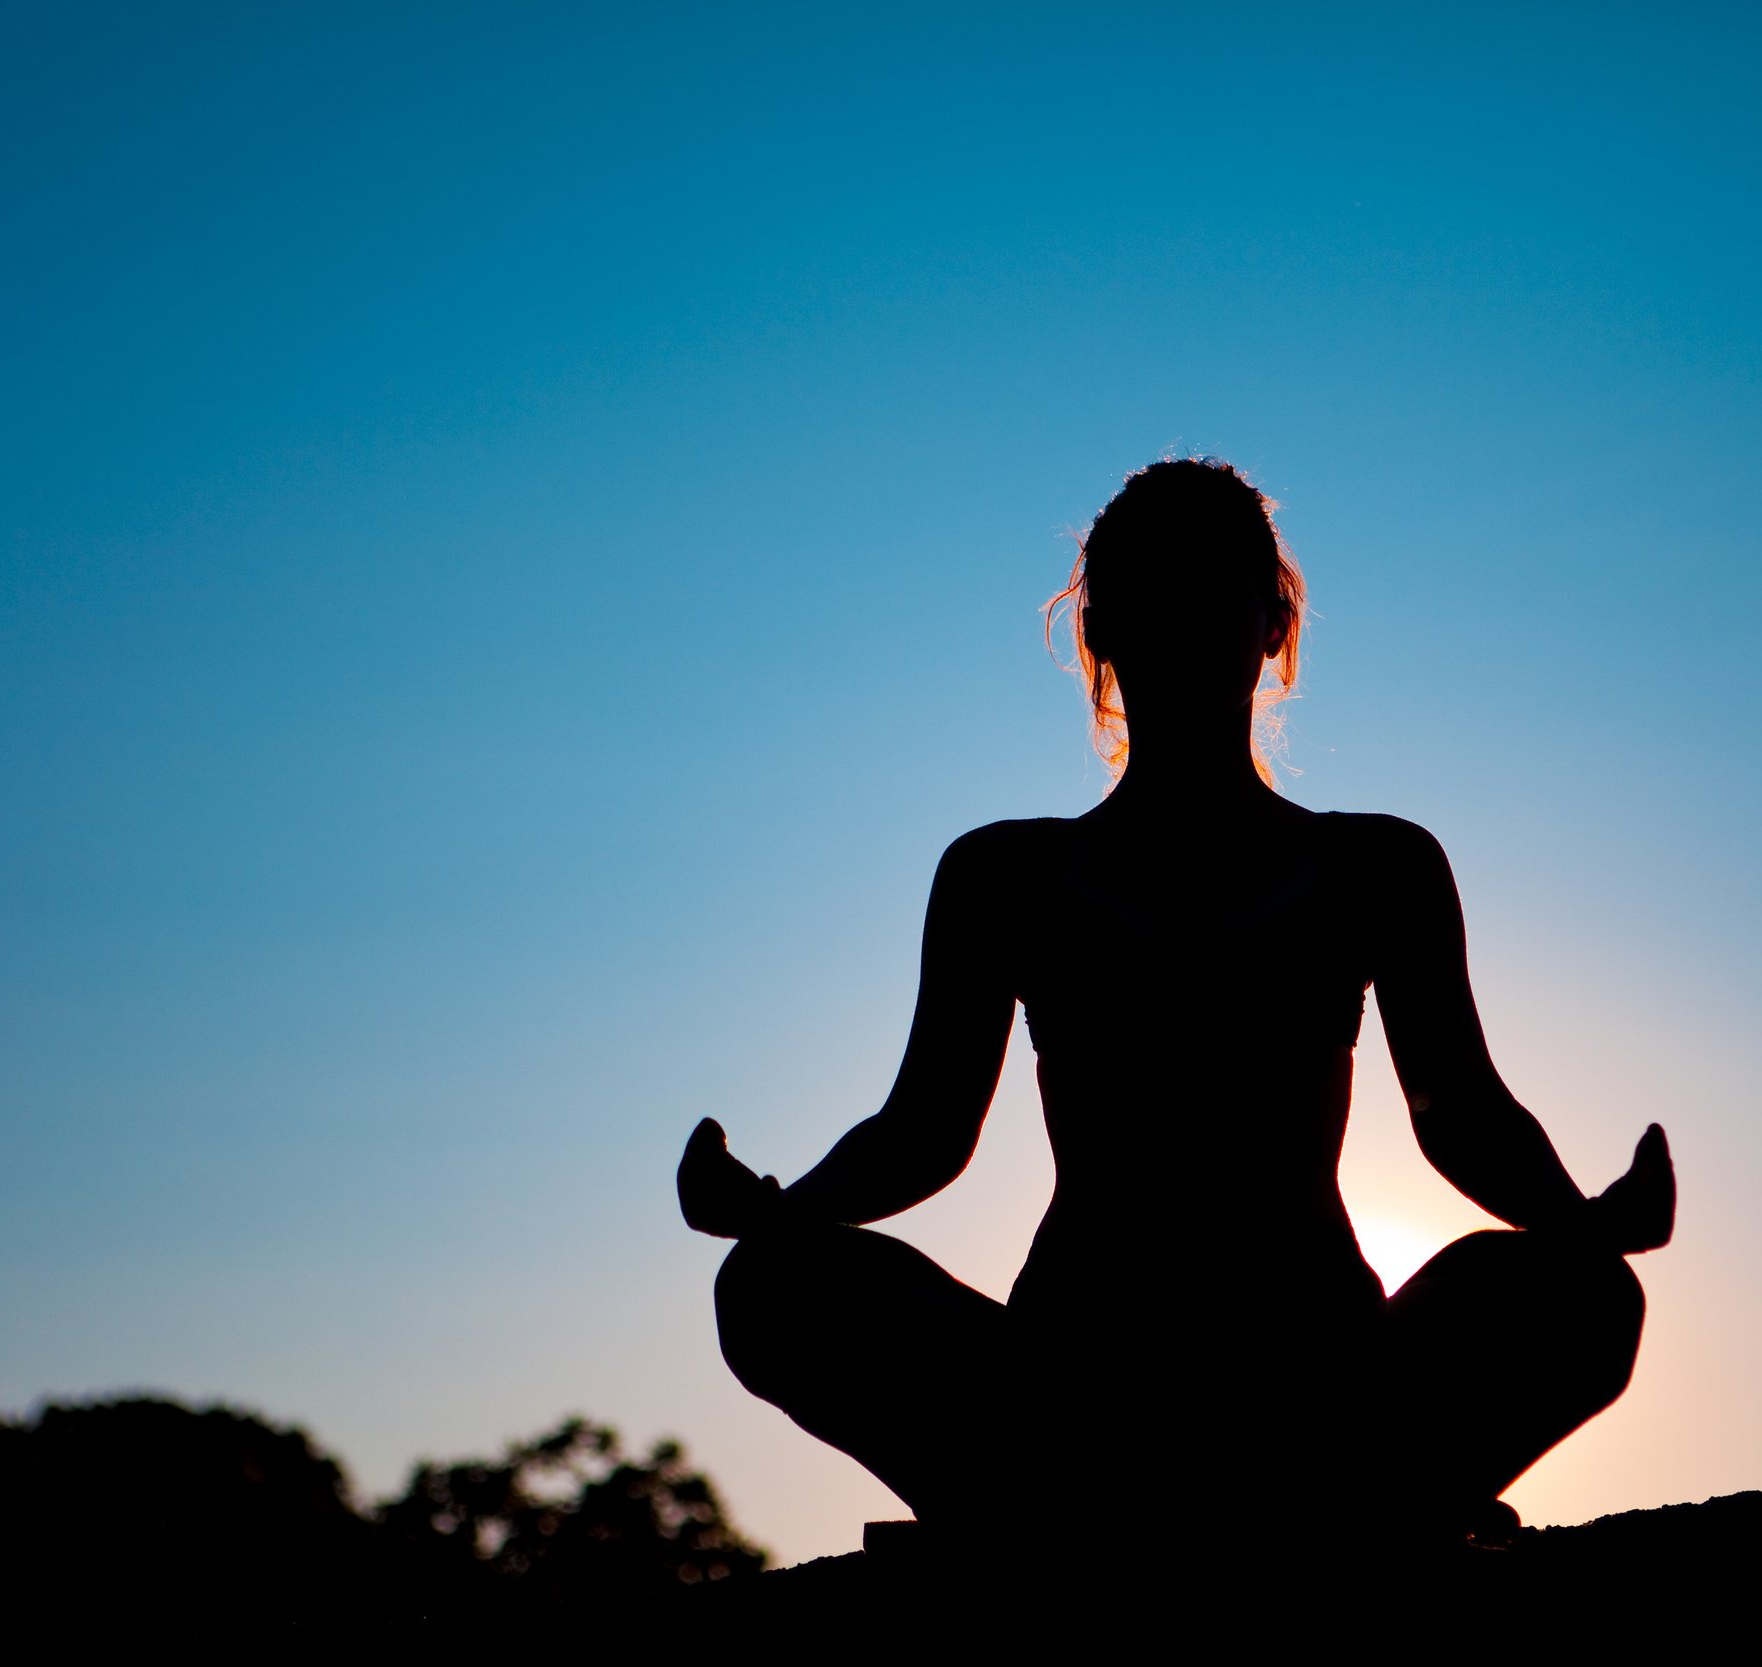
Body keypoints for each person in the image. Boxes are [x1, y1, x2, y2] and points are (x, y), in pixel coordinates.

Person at [679, 458, 1673, 1556]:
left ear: (1271, 622)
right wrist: (779, 1215)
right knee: (773, 1288)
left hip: (1324, 1374)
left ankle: (1311, 1504)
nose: (1185, 624)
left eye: (1214, 592)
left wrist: (1582, 1223)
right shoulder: (1003, 874)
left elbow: (1460, 1109)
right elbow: (922, 1130)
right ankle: (1087, 1512)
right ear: (1101, 630)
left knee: (1581, 1298)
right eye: (1151, 596)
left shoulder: (1377, 865)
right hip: (1070, 1384)